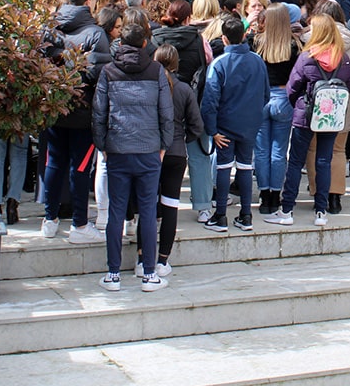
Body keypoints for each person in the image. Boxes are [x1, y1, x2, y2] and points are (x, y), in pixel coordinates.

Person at [94, 22, 174, 292]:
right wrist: (164, 144)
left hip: (117, 148)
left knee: (116, 211)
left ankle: (113, 273)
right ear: (144, 43)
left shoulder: (108, 71)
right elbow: (166, 112)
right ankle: (149, 273)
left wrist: (102, 144)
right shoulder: (157, 70)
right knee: (149, 212)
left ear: (119, 42)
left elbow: (99, 112)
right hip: (149, 149)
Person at [41, 0, 112, 243]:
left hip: (55, 107)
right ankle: (79, 225)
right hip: (83, 111)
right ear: (90, 1)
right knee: (79, 168)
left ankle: (50, 219)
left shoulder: (50, 28)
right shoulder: (95, 34)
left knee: (54, 163)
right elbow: (97, 74)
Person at [266, 14, 350, 226]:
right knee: (324, 161)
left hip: (305, 113)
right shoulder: (343, 58)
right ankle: (321, 211)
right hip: (331, 115)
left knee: (296, 161)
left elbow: (292, 88)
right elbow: (348, 86)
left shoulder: (306, 57)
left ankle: (286, 210)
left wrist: (299, 104)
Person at [200, 17, 271, 233]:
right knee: (245, 167)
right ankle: (246, 215)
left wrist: (212, 130)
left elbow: (210, 101)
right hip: (250, 125)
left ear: (223, 38)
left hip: (224, 127)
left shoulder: (219, 63)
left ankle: (220, 214)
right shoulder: (257, 61)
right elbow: (266, 94)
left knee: (223, 167)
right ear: (244, 35)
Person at [140, 44, 204, 276]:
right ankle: (163, 260)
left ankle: (141, 257)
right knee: (170, 206)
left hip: (150, 151)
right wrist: (184, 138)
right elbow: (197, 125)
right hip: (176, 152)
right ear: (177, 64)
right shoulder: (184, 89)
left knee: (147, 205)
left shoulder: (149, 86)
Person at [253, 3, 300, 216]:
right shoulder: (293, 45)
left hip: (261, 96)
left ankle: (264, 195)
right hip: (283, 96)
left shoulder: (256, 42)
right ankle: (275, 194)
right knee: (280, 150)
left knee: (261, 150)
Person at [151, 0, 206, 83]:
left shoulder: (155, 38)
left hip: (161, 87)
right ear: (187, 19)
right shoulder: (198, 38)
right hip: (191, 88)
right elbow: (207, 61)